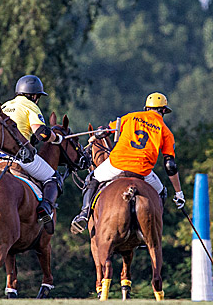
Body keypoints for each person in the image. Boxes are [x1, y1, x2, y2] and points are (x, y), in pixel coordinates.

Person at [71, 92, 184, 235]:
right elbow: (170, 165)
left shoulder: (130, 117)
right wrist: (179, 193)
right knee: (161, 192)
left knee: (92, 178)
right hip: (143, 171)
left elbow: (106, 130)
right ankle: (150, 230)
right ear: (163, 111)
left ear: (147, 108)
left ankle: (84, 213)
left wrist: (95, 136)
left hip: (117, 165)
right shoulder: (166, 131)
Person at [0, 75, 62, 233]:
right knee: (54, 178)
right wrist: (57, 138)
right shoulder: (30, 106)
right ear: (33, 95)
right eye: (38, 97)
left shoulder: (5, 106)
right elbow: (42, 133)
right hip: (19, 157)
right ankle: (45, 210)